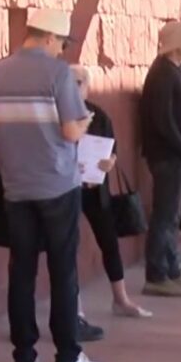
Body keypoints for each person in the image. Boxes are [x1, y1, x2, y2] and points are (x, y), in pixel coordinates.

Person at [0, 8, 102, 362]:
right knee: (63, 271)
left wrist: (5, 165)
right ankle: (68, 359)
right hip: (58, 184)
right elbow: (71, 133)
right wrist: (85, 121)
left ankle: (24, 359)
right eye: (61, 43)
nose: (62, 51)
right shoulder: (57, 73)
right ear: (48, 38)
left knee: (21, 270)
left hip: (17, 187)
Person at [72, 65, 151, 318]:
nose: (73, 88)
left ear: (87, 86)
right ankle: (74, 308)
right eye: (68, 83)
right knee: (66, 248)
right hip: (67, 190)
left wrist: (109, 163)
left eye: (78, 83)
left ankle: (121, 299)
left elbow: (112, 150)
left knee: (109, 240)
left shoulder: (99, 115)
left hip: (96, 188)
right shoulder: (57, 115)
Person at [139, 21, 181, 298]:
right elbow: (162, 120)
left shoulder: (177, 70)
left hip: (177, 152)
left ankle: (172, 268)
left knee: (173, 215)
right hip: (166, 154)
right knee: (163, 216)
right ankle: (156, 274)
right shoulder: (162, 73)